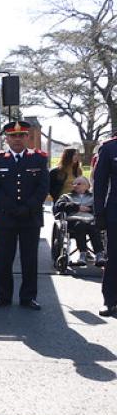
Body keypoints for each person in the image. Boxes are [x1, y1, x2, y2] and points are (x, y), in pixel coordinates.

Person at [0, 120, 49, 310]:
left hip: (30, 217)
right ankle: (3, 296)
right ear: (6, 138)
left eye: (21, 135)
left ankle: (28, 297)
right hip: (6, 217)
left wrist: (28, 207)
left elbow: (43, 187)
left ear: (27, 137)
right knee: (4, 259)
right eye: (13, 136)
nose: (17, 139)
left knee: (29, 259)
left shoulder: (38, 159)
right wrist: (12, 208)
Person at [55, 176, 105, 266]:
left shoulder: (94, 197)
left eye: (79, 184)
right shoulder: (66, 196)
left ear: (87, 186)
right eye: (74, 183)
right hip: (73, 221)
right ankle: (82, 254)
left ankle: (99, 254)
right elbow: (58, 206)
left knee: (94, 227)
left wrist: (89, 209)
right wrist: (76, 207)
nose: (75, 185)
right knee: (80, 225)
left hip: (90, 220)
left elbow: (101, 207)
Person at [93, 135, 117, 316]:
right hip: (115, 211)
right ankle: (109, 300)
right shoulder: (109, 147)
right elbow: (99, 184)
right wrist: (99, 213)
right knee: (114, 258)